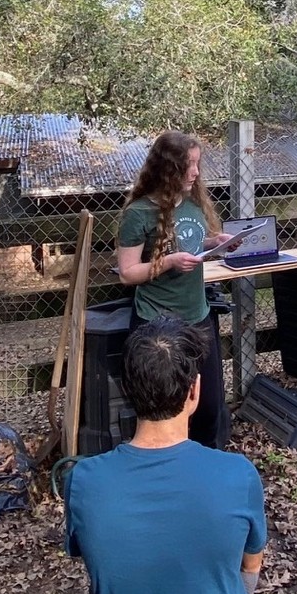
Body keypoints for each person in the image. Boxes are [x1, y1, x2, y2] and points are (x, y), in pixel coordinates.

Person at [64, 316, 267, 594]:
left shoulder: (83, 481)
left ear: (126, 389)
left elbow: (91, 560)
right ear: (194, 392)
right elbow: (252, 560)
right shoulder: (238, 473)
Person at [117, 130, 231, 448]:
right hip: (157, 324)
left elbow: (190, 246)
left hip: (198, 316)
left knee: (209, 407)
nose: (196, 172)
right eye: (189, 165)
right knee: (164, 410)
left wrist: (216, 245)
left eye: (197, 164)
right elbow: (127, 273)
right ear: (168, 169)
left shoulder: (192, 203)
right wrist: (168, 262)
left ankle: (206, 465)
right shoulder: (138, 212)